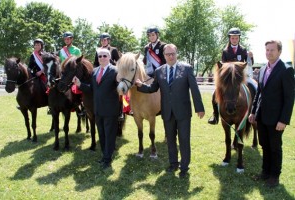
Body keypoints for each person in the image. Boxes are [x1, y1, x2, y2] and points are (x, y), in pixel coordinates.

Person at [135, 44, 205, 178]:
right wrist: (140, 86)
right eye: (168, 54)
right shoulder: (159, 71)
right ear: (164, 55)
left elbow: (194, 90)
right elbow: (153, 88)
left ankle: (184, 167)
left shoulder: (186, 69)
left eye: (173, 53)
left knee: (184, 140)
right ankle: (173, 164)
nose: (170, 56)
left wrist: (199, 108)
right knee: (171, 140)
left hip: (183, 112)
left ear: (176, 54)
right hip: (167, 112)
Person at [249, 40, 294, 188]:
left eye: (272, 50)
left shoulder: (286, 70)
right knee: (264, 145)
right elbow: (259, 94)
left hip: (276, 119)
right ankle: (265, 172)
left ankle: (274, 176)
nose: (269, 53)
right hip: (261, 116)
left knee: (275, 147)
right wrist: (253, 112)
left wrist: (284, 120)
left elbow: (289, 98)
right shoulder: (262, 69)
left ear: (279, 52)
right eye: (267, 50)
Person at [72, 48, 120, 170]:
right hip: (97, 110)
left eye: (105, 56)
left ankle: (108, 159)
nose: (102, 58)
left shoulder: (115, 71)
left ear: (109, 57)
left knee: (109, 135)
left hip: (110, 110)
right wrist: (79, 85)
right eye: (100, 56)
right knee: (102, 134)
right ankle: (104, 156)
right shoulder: (94, 72)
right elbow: (91, 89)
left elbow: (121, 87)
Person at [208, 27, 255, 124]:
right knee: (214, 94)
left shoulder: (243, 50)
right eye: (233, 38)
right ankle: (215, 116)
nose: (234, 40)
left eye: (236, 38)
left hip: (240, 77)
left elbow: (250, 63)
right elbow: (223, 66)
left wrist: (251, 57)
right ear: (230, 38)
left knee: (254, 87)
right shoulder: (225, 51)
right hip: (229, 78)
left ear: (239, 38)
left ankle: (253, 112)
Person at [17, 38, 47, 110]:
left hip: (44, 74)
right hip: (35, 75)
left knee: (48, 86)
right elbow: (30, 66)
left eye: (38, 45)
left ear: (41, 46)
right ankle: (23, 103)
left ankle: (50, 104)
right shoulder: (32, 55)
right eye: (35, 45)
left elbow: (47, 66)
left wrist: (41, 72)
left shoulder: (45, 54)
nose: (36, 46)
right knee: (25, 85)